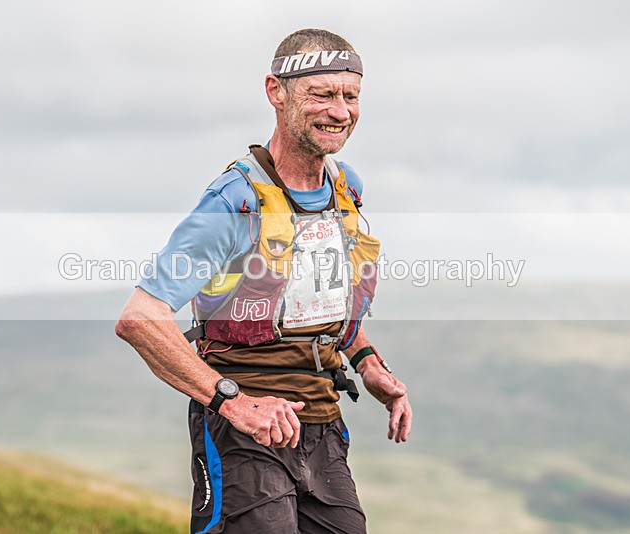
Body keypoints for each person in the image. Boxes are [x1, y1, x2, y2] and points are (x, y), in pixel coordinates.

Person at [116, 28, 413, 534]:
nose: (340, 111)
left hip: (321, 425)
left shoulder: (346, 189)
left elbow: (312, 302)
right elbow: (140, 318)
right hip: (243, 437)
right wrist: (234, 402)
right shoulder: (234, 200)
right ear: (277, 92)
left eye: (351, 95)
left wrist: (366, 363)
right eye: (321, 94)